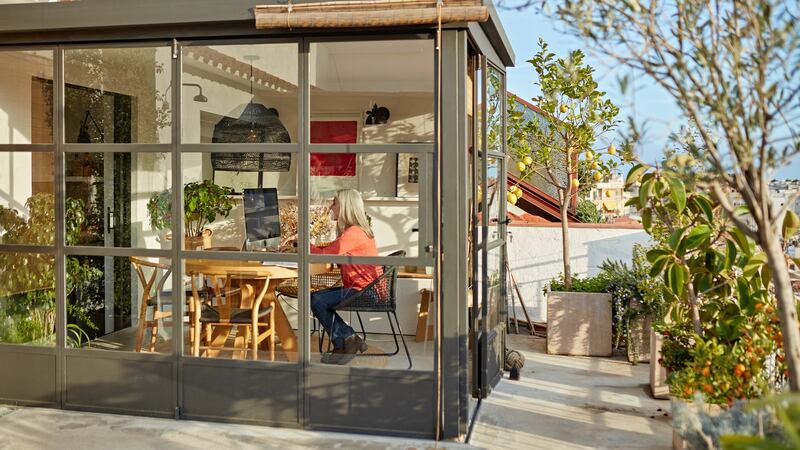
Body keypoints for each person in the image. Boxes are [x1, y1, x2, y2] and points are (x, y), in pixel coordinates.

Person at [309, 189, 382, 364]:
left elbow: (325, 254)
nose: (331, 207)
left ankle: (349, 339)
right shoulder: (354, 231)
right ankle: (342, 347)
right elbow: (330, 249)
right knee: (318, 299)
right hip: (362, 288)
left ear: (345, 207)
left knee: (318, 300)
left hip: (365, 291)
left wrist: (303, 245)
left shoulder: (354, 233)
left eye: (334, 203)